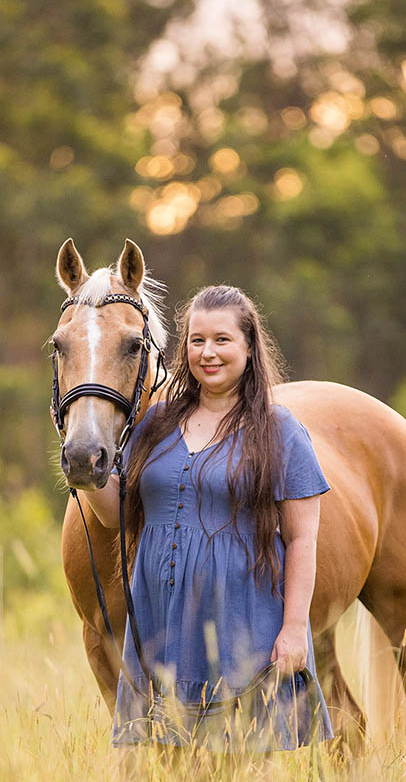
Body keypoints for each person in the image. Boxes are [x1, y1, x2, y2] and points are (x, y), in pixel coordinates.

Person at [85, 284, 333, 752]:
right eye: (197, 340)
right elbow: (117, 515)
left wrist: (295, 628)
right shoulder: (155, 424)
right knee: (156, 776)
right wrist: (87, 474)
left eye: (222, 339)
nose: (208, 352)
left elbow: (302, 539)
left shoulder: (280, 431)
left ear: (248, 346)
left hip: (243, 626)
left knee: (242, 778)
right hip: (161, 625)